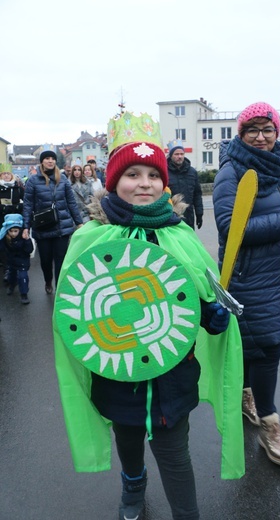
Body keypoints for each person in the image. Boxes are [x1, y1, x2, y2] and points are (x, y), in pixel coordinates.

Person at [53, 112, 245, 520]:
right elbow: (75, 308)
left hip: (172, 372)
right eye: (133, 174)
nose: (144, 183)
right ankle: (133, 484)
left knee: (175, 452)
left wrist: (208, 312)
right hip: (118, 368)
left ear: (165, 182)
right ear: (113, 182)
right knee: (128, 438)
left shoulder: (179, 233)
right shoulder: (90, 237)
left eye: (152, 175)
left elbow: (194, 290)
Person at [213, 101, 280, 466]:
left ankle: (245, 393)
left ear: (277, 132)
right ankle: (270, 425)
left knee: (257, 346)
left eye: (267, 129)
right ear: (241, 134)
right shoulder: (232, 171)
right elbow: (232, 229)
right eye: (252, 130)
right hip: (249, 277)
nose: (261, 136)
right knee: (268, 348)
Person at [22, 151, 83, 294]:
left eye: (53, 159)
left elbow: (71, 202)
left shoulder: (62, 178)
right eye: (47, 159)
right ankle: (48, 280)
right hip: (43, 226)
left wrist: (79, 222)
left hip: (62, 226)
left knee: (61, 260)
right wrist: (26, 226)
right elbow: (28, 205)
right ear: (42, 161)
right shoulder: (33, 180)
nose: (50, 161)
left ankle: (60, 287)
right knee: (45, 260)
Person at [166, 140, 203, 230]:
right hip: (170, 216)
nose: (180, 156)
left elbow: (197, 194)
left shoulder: (192, 172)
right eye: (176, 154)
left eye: (182, 154)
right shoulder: (165, 172)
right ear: (171, 156)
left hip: (188, 215)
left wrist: (199, 214)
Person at [0, 213, 33, 304]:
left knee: (23, 277)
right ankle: (12, 285)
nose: (13, 233)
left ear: (20, 229)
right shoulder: (5, 238)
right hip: (11, 261)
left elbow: (29, 250)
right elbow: (1, 248)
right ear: (7, 230)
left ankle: (24, 294)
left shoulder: (24, 237)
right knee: (11, 276)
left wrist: (27, 240)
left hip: (23, 261)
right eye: (11, 231)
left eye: (16, 231)